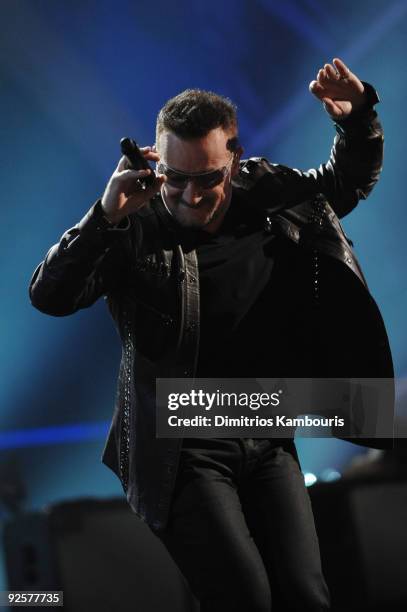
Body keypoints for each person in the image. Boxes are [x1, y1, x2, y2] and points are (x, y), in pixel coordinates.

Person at [30, 58, 393, 611]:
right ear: (155, 161)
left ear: (235, 160)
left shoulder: (268, 195)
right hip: (180, 441)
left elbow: (345, 182)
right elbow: (49, 295)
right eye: (177, 179)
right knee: (243, 597)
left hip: (262, 421)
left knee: (305, 596)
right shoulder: (132, 224)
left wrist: (359, 115)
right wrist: (103, 218)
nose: (192, 196)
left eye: (208, 179)